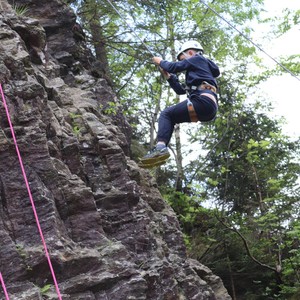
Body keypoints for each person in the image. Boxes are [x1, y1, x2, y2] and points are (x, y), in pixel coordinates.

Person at [140, 40, 220, 166]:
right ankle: (160, 149)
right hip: (207, 108)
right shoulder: (200, 71)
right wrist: (169, 77)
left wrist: (160, 61)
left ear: (190, 52)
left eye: (183, 59)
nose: (183, 62)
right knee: (171, 117)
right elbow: (181, 91)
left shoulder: (198, 58)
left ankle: (160, 148)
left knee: (166, 114)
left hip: (203, 100)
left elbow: (173, 67)